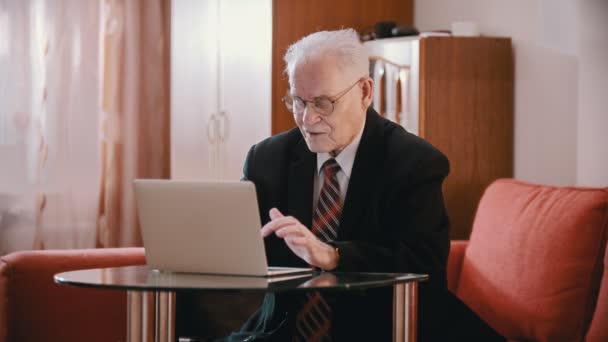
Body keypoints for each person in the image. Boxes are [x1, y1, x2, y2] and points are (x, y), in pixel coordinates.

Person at [227, 28, 503, 341]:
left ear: (364, 92)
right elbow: (240, 248)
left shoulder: (414, 163)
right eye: (298, 102)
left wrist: (333, 255)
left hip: (383, 328)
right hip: (282, 331)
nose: (307, 119)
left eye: (323, 103)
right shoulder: (267, 158)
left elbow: (424, 264)